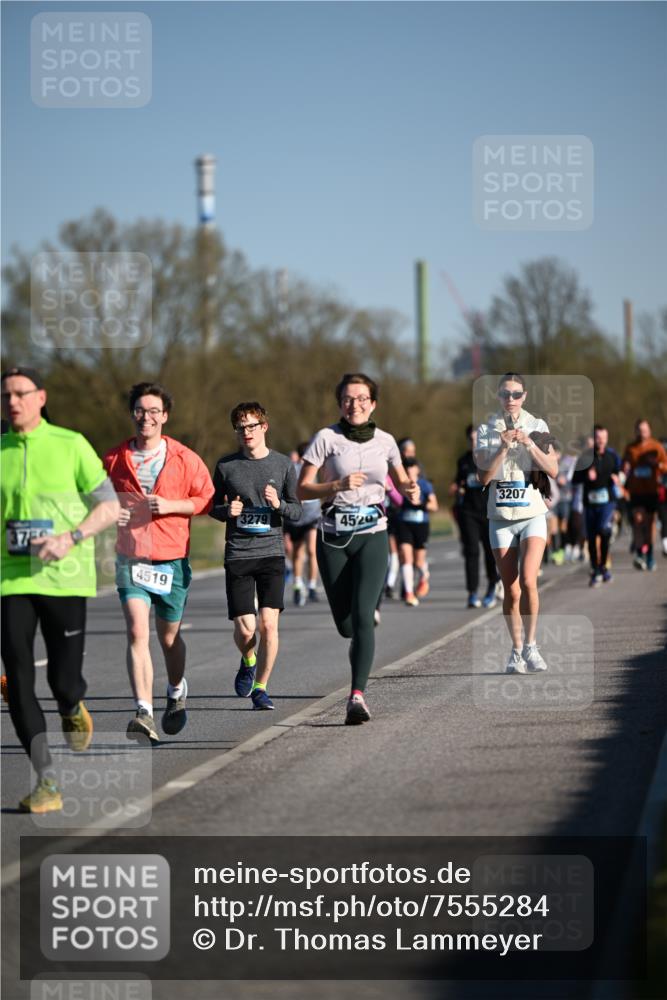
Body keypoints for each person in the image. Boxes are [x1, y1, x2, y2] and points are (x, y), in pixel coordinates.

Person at [1, 366, 120, 812]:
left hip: (65, 576)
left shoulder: (70, 444)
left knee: (62, 680)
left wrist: (68, 538)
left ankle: (72, 705)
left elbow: (109, 506)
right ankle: (46, 781)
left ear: (41, 397)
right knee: (17, 678)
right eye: (5, 395)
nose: (12, 401)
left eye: (20, 393)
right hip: (10, 577)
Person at [297, 373, 420, 724]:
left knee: (365, 616)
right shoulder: (326, 438)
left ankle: (357, 696)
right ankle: (355, 647)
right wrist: (335, 484)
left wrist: (412, 491)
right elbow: (302, 490)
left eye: (363, 398)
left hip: (373, 533)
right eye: (349, 399)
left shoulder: (386, 442)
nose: (356, 405)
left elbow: (401, 483)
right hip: (333, 536)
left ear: (373, 403)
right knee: (347, 626)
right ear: (340, 404)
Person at [103, 382, 214, 743]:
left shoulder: (185, 457)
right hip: (131, 557)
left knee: (168, 638)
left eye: (153, 411)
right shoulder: (114, 459)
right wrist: (112, 513)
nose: (146, 417)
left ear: (164, 416)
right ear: (132, 414)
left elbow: (206, 499)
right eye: (140, 410)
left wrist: (171, 506)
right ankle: (144, 712)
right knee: (137, 631)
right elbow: (99, 501)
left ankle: (177, 688)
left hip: (171, 560)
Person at [210, 402, 301, 710]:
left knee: (268, 625)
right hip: (238, 554)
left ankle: (261, 688)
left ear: (264, 427)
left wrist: (279, 506)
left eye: (251, 426)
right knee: (245, 629)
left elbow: (297, 510)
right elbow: (210, 506)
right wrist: (226, 511)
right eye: (240, 428)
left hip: (271, 554)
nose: (245, 432)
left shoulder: (284, 465)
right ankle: (248, 659)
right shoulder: (226, 466)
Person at [475, 372, 558, 674]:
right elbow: (483, 478)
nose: (510, 399)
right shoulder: (486, 429)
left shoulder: (538, 426)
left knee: (528, 580)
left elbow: (553, 469)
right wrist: (501, 448)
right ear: (498, 396)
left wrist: (529, 444)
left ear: (524, 396)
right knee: (510, 590)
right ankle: (515, 650)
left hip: (532, 513)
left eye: (516, 394)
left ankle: (532, 646)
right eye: (505, 394)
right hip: (500, 517)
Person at [451, 425, 499, 609]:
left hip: (488, 511)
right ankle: (472, 593)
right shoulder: (463, 460)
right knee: (471, 552)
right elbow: (459, 481)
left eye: (477, 439)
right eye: (471, 439)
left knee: (490, 551)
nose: (474, 442)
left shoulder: (490, 458)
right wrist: (457, 487)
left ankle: (492, 587)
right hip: (468, 512)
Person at [573, 424, 621, 586]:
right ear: (594, 439)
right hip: (590, 503)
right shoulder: (585, 457)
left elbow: (620, 471)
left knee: (604, 530)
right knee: (592, 538)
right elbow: (575, 480)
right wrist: (586, 476)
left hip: (607, 502)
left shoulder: (612, 456)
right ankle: (596, 570)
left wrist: (617, 477)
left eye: (603, 438)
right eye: (598, 438)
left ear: (606, 439)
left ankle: (603, 566)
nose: (600, 441)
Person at [622, 419, 667, 571]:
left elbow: (665, 466)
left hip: (652, 491)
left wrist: (657, 465)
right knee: (638, 520)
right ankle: (640, 553)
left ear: (650, 431)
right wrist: (625, 468)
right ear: (635, 431)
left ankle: (650, 556)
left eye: (645, 430)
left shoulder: (656, 447)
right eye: (640, 430)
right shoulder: (630, 448)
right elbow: (624, 466)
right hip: (636, 492)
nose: (642, 433)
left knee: (650, 524)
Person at [283, 442, 321, 606]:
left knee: (312, 550)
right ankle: (298, 584)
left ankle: (312, 586)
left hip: (313, 516)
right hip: (296, 518)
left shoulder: (318, 468)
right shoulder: (293, 469)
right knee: (298, 553)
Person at [396, 457, 438, 605]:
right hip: (404, 524)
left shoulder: (425, 485)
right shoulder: (400, 484)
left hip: (421, 525)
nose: (409, 469)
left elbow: (434, 506)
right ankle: (408, 593)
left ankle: (423, 576)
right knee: (406, 557)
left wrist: (422, 504)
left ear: (417, 469)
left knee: (419, 562)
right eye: (406, 467)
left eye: (412, 466)